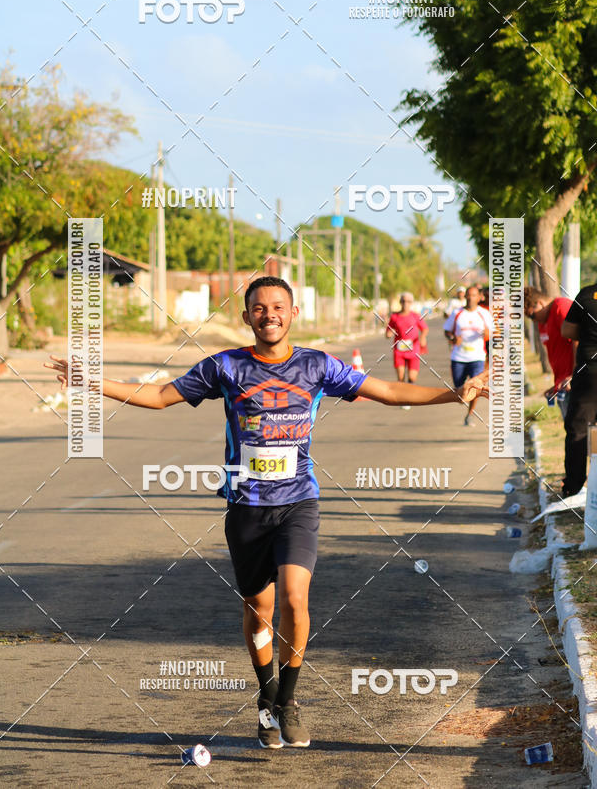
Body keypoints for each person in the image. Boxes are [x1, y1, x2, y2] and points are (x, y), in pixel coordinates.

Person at [45, 276, 488, 750]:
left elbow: (387, 391)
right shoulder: (226, 367)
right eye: (259, 308)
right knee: (259, 611)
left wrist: (452, 394)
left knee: (296, 600)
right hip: (246, 508)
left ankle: (290, 702)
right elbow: (157, 396)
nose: (269, 314)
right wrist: (93, 381)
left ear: (293, 313)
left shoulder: (317, 366)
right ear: (246, 317)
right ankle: (267, 700)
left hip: (299, 501)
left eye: (278, 306)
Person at [561, 282, 597, 497]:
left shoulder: (587, 295)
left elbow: (567, 330)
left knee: (578, 429)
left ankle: (574, 487)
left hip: (590, 373)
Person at [444, 285, 493, 426]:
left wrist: (488, 335)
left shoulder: (484, 314)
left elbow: (494, 333)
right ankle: (463, 400)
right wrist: (453, 338)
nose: (471, 298)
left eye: (474, 295)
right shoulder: (457, 313)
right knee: (460, 393)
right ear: (464, 297)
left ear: (479, 297)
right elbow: (447, 331)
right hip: (458, 357)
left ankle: (470, 414)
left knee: (475, 388)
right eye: (468, 295)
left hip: (477, 357)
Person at [524, 287, 575, 420]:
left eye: (531, 315)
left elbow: (578, 338)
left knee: (578, 434)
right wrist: (556, 383)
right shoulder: (543, 321)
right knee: (571, 432)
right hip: (563, 384)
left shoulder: (561, 307)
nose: (533, 320)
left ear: (539, 303)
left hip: (574, 383)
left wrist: (575, 374)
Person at [385, 292, 429, 410]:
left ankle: (409, 396)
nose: (406, 304)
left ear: (411, 303)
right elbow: (388, 332)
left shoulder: (415, 316)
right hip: (399, 351)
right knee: (400, 377)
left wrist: (422, 338)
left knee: (412, 377)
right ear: (400, 303)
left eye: (408, 301)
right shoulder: (395, 317)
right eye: (403, 301)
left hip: (413, 351)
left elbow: (424, 329)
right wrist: (389, 334)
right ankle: (404, 399)